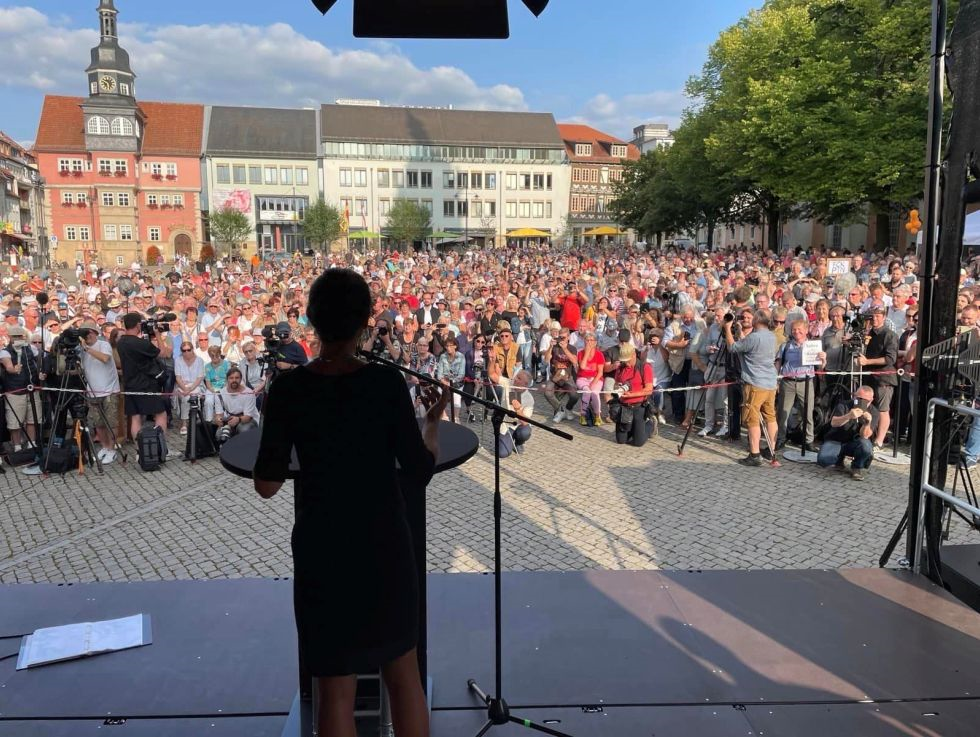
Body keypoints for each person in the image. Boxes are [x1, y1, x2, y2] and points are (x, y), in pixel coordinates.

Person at [254, 268, 447, 737]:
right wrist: (433, 422)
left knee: (334, 688)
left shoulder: (289, 390)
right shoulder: (383, 386)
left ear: (312, 321)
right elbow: (419, 469)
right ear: (364, 322)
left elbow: (267, 484)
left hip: (324, 549)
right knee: (404, 677)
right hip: (383, 544)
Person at [723, 310, 778, 466]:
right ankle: (771, 449)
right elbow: (748, 346)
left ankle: (755, 454)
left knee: (752, 418)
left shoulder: (754, 337)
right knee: (770, 416)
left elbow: (733, 348)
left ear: (757, 321)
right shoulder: (771, 336)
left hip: (755, 383)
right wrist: (740, 332)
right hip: (770, 383)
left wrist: (727, 329)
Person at [116, 313, 171, 448]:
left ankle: (140, 449)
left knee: (135, 417)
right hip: (145, 385)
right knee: (161, 414)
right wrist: (157, 334)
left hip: (130, 384)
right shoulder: (139, 343)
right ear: (138, 325)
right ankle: (160, 447)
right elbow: (163, 353)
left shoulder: (121, 342)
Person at [774, 318, 825, 451]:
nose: (797, 332)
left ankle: (808, 441)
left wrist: (823, 359)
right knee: (783, 413)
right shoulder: (785, 346)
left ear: (806, 330)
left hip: (806, 382)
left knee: (807, 413)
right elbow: (778, 363)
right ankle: (781, 438)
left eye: (800, 329)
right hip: (788, 382)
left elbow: (820, 367)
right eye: (794, 329)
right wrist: (776, 379)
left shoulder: (813, 346)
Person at [79, 321, 121, 463]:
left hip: (109, 390)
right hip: (93, 392)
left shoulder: (104, 344)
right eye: (85, 334)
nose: (88, 336)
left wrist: (87, 349)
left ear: (95, 333)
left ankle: (112, 449)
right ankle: (105, 446)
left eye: (89, 332)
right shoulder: (82, 350)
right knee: (98, 423)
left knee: (111, 422)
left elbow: (105, 358)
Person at [817, 385, 879, 481]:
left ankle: (857, 467)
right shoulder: (844, 404)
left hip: (854, 443)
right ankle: (838, 460)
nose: (861, 402)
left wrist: (867, 423)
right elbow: (834, 423)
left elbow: (865, 436)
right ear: (854, 396)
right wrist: (848, 416)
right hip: (836, 440)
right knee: (824, 460)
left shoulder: (873, 412)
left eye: (865, 400)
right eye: (858, 398)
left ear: (871, 400)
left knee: (866, 446)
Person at [858, 306, 898, 451]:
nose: (874, 319)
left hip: (884, 378)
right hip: (869, 376)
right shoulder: (868, 333)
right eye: (872, 316)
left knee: (883, 410)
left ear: (884, 316)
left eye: (878, 316)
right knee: (867, 407)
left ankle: (879, 441)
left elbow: (890, 359)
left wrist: (868, 362)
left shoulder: (890, 335)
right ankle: (868, 436)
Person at [0, 325, 40, 450]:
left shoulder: (31, 348)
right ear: (10, 337)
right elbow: (8, 366)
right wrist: (13, 369)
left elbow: (39, 361)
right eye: (15, 336)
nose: (17, 338)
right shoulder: (5, 351)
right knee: (15, 422)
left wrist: (40, 373)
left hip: (31, 389)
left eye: (19, 336)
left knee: (32, 419)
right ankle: (17, 446)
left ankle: (31, 444)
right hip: (15, 392)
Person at [609, 343, 655, 446]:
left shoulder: (644, 367)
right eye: (624, 361)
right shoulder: (620, 368)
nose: (626, 364)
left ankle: (650, 425)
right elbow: (616, 384)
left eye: (628, 361)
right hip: (624, 407)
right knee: (621, 440)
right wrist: (618, 389)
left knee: (638, 443)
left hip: (639, 406)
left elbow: (649, 390)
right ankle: (633, 429)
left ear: (634, 355)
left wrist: (632, 394)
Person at [213, 367, 260, 444]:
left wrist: (238, 420)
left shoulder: (249, 393)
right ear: (227, 379)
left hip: (247, 420)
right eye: (231, 378)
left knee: (244, 429)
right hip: (230, 421)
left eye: (237, 378)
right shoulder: (220, 394)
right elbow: (219, 414)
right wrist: (218, 420)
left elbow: (248, 417)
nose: (234, 380)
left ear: (241, 379)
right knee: (219, 435)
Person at [173, 339, 206, 435]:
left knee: (189, 396)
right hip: (182, 386)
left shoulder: (199, 360)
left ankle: (189, 421)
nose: (186, 352)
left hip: (196, 385)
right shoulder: (178, 360)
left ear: (192, 349)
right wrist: (185, 388)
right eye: (184, 350)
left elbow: (200, 378)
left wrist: (190, 389)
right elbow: (178, 377)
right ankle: (184, 423)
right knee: (185, 397)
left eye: (188, 350)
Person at [498, 370, 533, 458]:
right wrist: (492, 360)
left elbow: (525, 423)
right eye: (516, 376)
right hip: (506, 424)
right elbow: (492, 375)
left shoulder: (529, 398)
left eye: (519, 378)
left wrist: (518, 409)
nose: (515, 379)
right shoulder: (509, 383)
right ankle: (506, 439)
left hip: (518, 424)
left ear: (525, 384)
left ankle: (518, 442)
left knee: (526, 431)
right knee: (502, 453)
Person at [575, 332, 606, 426]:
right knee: (586, 391)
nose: (589, 342)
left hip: (596, 378)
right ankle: (583, 415)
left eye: (591, 340)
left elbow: (600, 372)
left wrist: (593, 383)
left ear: (595, 342)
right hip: (582, 378)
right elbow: (583, 367)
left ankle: (597, 415)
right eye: (587, 340)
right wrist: (587, 352)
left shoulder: (599, 354)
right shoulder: (580, 353)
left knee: (595, 393)